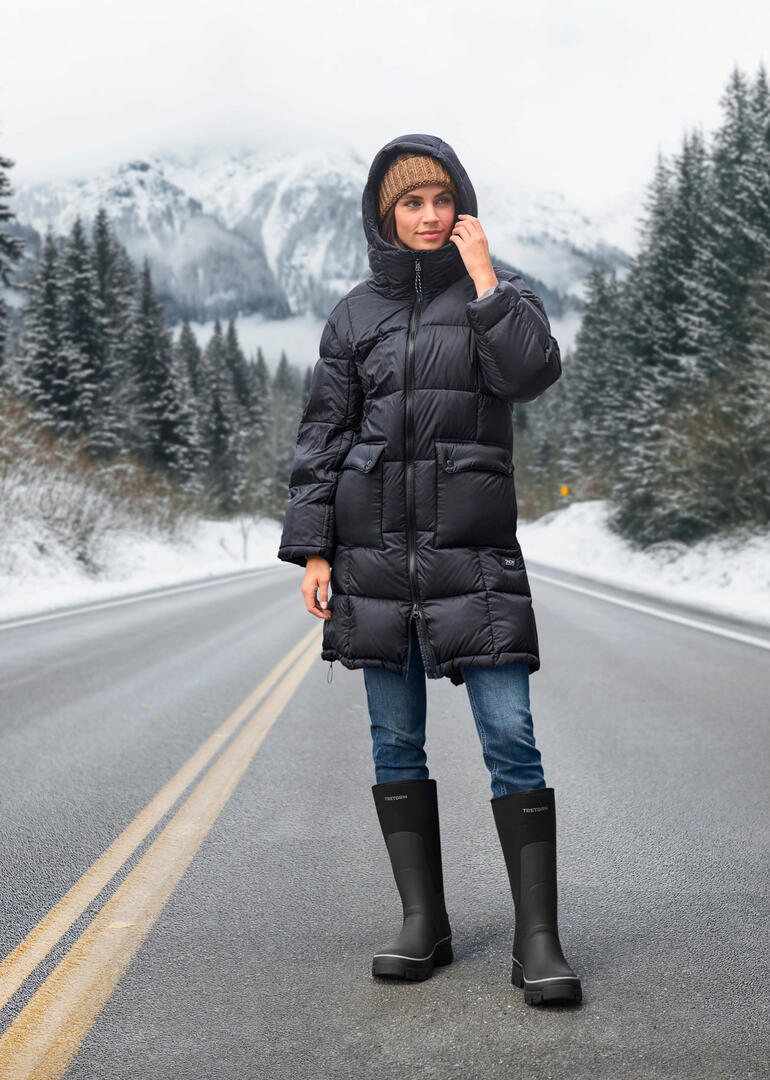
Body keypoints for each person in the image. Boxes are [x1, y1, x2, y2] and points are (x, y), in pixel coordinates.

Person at [277, 133, 582, 1006]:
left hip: (473, 552)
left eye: (441, 201)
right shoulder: (352, 317)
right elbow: (323, 441)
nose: (428, 216)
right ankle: (425, 922)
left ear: (462, 208)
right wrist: (316, 547)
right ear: (386, 214)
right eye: (411, 203)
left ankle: (538, 938)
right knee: (394, 738)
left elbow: (531, 374)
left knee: (510, 737)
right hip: (375, 556)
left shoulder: (497, 298)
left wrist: (486, 282)